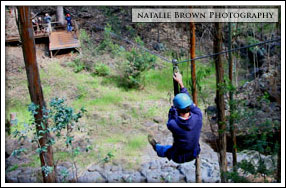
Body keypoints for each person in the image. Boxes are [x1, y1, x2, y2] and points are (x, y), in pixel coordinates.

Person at [148, 72, 203, 164]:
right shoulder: (198, 116)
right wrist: (180, 83)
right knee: (175, 147)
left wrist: (174, 107)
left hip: (179, 156)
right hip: (194, 153)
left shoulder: (172, 125)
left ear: (178, 109)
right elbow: (187, 102)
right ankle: (158, 147)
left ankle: (156, 147)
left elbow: (172, 113)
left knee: (165, 150)